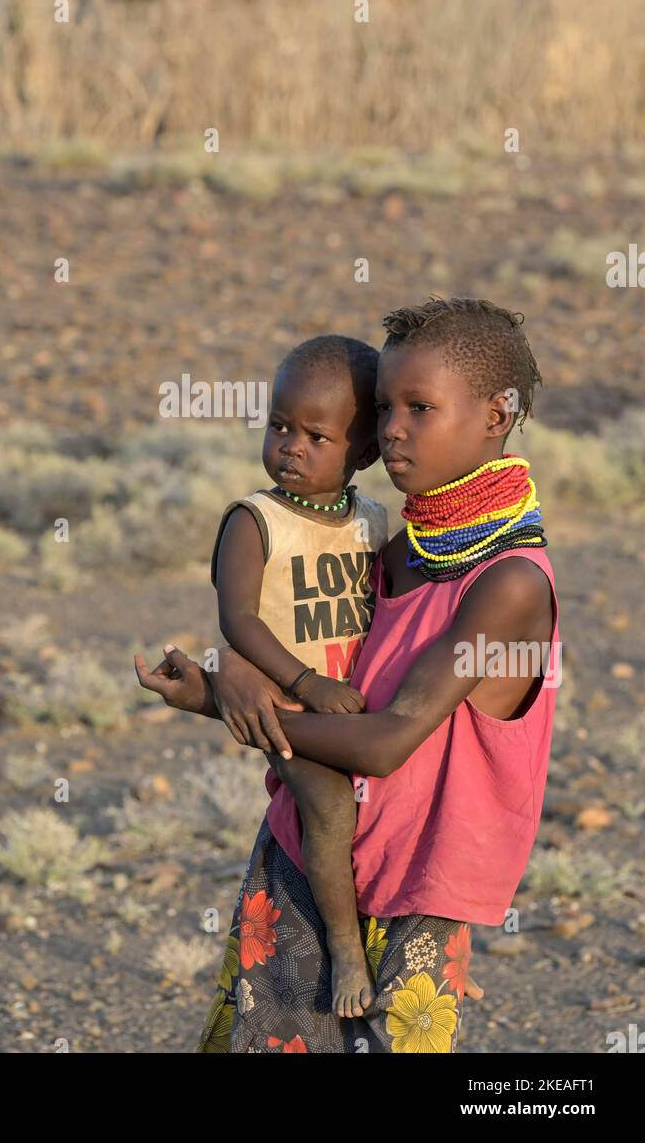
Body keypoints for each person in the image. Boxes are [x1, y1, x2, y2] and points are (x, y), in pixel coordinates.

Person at [135, 296, 560, 1054]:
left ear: (498, 415)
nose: (392, 429)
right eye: (385, 408)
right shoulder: (395, 550)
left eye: (420, 408)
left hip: (416, 894)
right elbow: (303, 636)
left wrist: (220, 700)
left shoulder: (508, 585)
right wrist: (232, 673)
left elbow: (388, 741)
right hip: (309, 849)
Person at [210, 334, 388, 1017]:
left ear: (363, 453)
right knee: (331, 807)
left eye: (317, 435)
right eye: (280, 426)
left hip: (355, 711)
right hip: (289, 708)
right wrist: (307, 684)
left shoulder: (371, 523)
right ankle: (345, 949)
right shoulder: (256, 522)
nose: (291, 446)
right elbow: (239, 621)